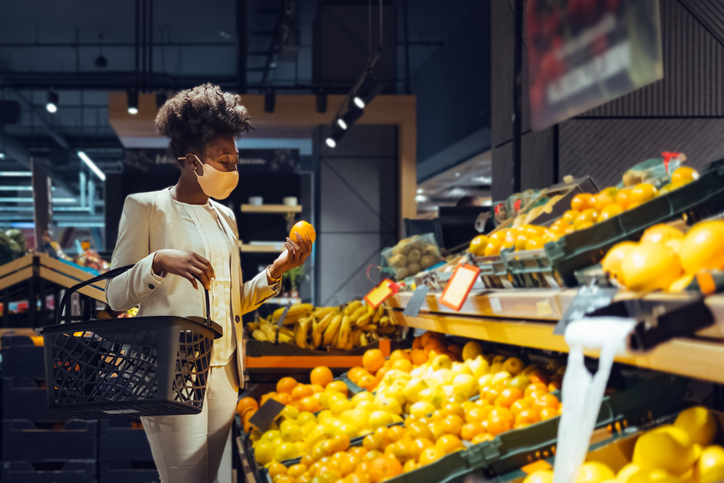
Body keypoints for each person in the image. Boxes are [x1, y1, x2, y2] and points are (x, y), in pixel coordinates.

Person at [105, 83, 312, 483]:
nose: (233, 168)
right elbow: (114, 293)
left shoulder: (226, 218)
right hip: (171, 371)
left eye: (235, 159)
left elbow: (232, 302)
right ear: (192, 160)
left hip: (225, 373)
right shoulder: (146, 207)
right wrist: (157, 261)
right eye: (224, 159)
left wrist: (276, 271)